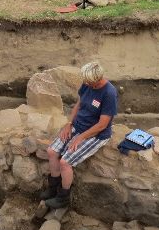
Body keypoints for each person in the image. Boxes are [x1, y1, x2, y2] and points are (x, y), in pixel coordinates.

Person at [41, 61, 118, 209]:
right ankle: (53, 187)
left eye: (88, 82)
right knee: (52, 151)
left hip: (96, 134)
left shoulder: (109, 93)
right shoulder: (87, 84)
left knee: (65, 162)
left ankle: (63, 197)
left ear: (97, 79)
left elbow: (102, 124)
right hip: (78, 125)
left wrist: (80, 138)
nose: (86, 84)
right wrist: (69, 123)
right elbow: (79, 104)